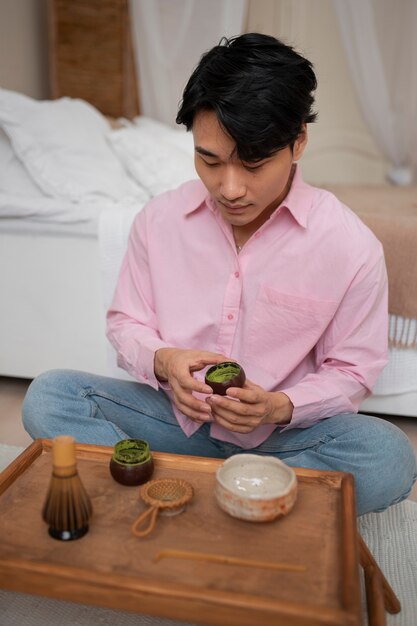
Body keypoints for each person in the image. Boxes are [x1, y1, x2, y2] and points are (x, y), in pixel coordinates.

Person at [22, 33, 416, 516]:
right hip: (171, 421)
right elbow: (126, 322)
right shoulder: (158, 221)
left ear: (298, 143)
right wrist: (164, 361)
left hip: (281, 440)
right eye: (209, 160)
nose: (230, 188)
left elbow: (352, 372)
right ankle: (236, 499)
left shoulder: (350, 247)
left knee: (388, 456)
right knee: (50, 397)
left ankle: (178, 490)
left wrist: (278, 407)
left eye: (252, 164)